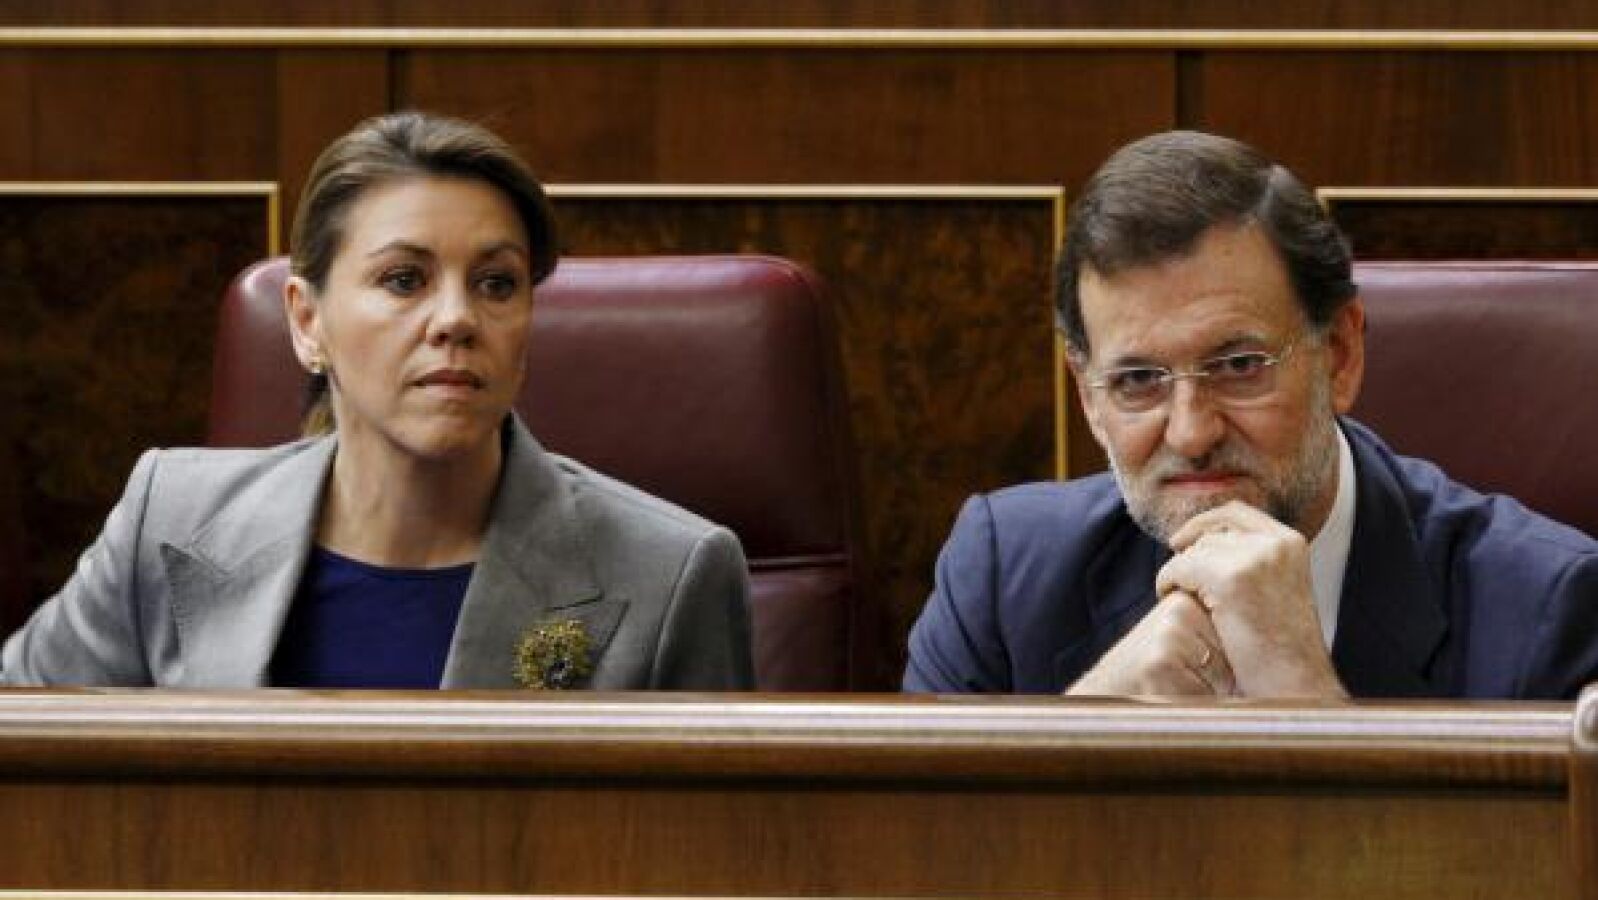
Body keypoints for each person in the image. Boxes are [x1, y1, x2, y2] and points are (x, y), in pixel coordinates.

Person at [2, 111, 754, 690]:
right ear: (307, 321)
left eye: (497, 283)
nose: (456, 318)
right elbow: (28, 752)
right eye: (404, 280)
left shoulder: (671, 574)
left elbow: (711, 843)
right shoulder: (169, 519)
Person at [906, 130, 1598, 700]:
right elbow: (915, 834)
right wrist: (1088, 732)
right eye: (1138, 380)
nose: (1191, 432)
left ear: (1340, 355)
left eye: (1238, 366)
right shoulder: (1000, 580)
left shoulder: (1548, 609)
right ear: (1088, 396)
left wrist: (1305, 699)